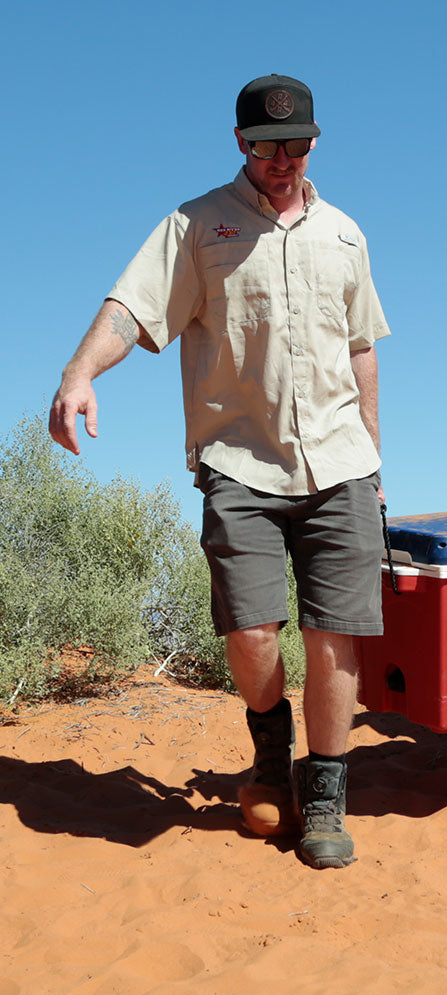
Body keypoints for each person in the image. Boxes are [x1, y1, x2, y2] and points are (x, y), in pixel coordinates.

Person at [49, 74, 389, 868]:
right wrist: (79, 373)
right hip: (239, 462)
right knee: (252, 631)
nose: (283, 158)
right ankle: (272, 755)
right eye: (267, 146)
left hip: (341, 463)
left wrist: (375, 461)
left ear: (315, 141)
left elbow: (362, 350)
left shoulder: (345, 234)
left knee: (335, 635)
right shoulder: (198, 225)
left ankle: (324, 793)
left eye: (296, 144)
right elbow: (133, 307)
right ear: (240, 142)